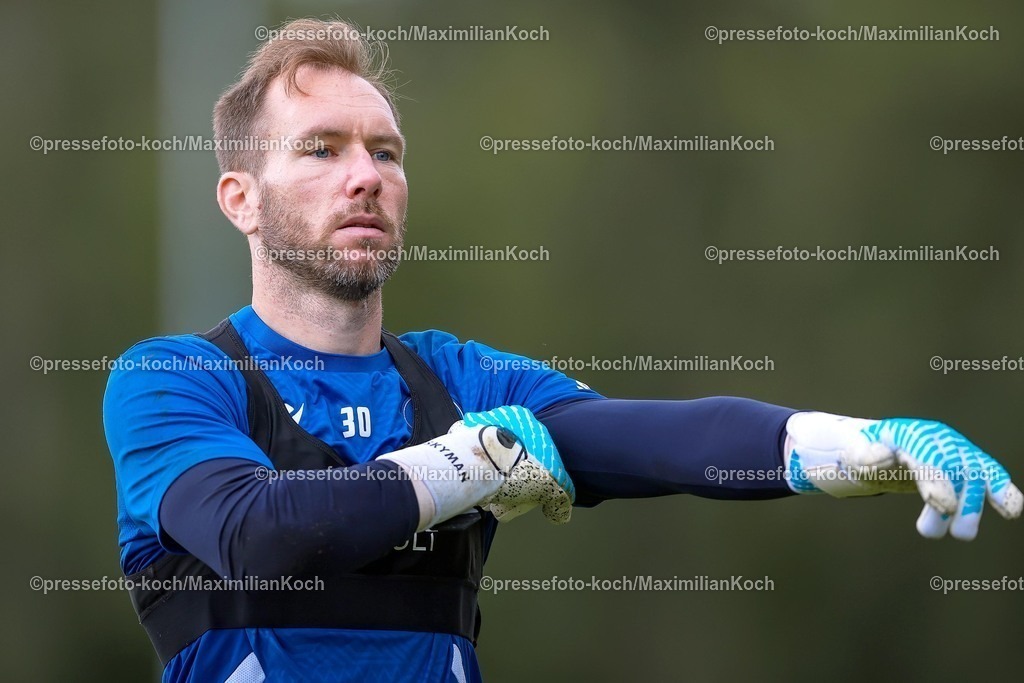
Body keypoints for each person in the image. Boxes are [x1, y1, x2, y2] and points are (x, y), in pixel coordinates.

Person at [103, 17, 1022, 683]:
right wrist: (466, 462)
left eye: (387, 152)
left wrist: (854, 442)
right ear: (240, 199)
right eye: (321, 149)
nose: (365, 176)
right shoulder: (177, 378)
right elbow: (262, 532)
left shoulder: (460, 379)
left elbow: (660, 439)